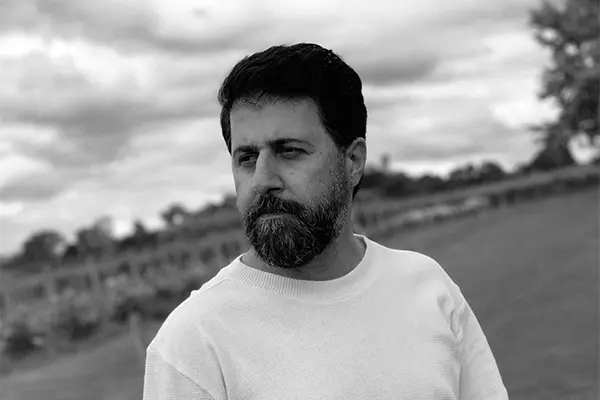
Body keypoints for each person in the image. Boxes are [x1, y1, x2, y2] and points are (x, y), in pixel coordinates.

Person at [143, 43, 509, 400]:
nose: (262, 180)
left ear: (353, 161)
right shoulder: (193, 344)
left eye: (290, 151)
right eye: (247, 158)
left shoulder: (429, 288)